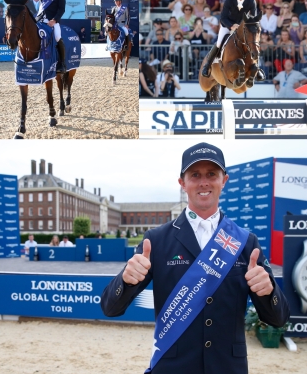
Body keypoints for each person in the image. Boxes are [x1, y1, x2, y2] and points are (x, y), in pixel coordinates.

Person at [100, 142, 290, 374]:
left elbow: (278, 319)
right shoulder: (156, 240)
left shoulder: (246, 242)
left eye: (212, 174)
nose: (204, 182)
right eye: (195, 175)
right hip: (173, 367)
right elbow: (110, 308)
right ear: (182, 183)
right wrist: (126, 281)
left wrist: (268, 291)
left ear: (224, 180)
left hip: (228, 368)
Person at [202, 0, 265, 80]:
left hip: (243, 27)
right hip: (228, 25)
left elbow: (253, 18)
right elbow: (223, 18)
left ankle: (257, 68)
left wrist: (244, 27)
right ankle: (207, 65)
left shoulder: (251, 0)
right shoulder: (229, 0)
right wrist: (232, 26)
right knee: (219, 43)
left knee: (252, 43)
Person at [16, 0, 67, 73]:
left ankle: (62, 64)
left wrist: (54, 20)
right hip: (39, 20)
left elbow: (62, 9)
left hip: (52, 22)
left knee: (58, 38)